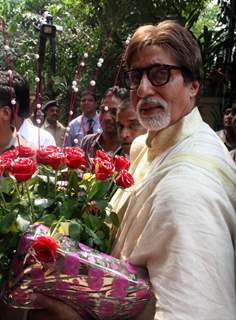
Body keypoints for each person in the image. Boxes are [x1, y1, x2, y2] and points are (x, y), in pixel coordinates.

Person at [5, 21, 236, 320]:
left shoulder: (188, 190)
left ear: (194, 85)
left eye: (160, 74)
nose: (142, 89)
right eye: (136, 76)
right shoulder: (149, 146)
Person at [80, 87, 127, 157]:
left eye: (114, 112)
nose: (107, 117)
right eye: (103, 110)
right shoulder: (87, 142)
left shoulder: (129, 147)